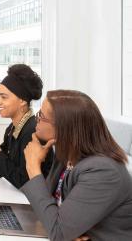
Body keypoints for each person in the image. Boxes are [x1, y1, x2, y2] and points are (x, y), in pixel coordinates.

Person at [22, 90, 132, 241]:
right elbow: (47, 207)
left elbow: (58, 232)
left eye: (42, 116)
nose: (36, 120)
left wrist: (33, 167)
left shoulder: (103, 172)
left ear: (63, 127)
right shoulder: (66, 154)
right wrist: (64, 228)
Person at [0, 64, 54, 188]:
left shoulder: (33, 131)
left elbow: (24, 182)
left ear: (22, 100)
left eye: (4, 97)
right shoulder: (12, 128)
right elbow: (0, 171)